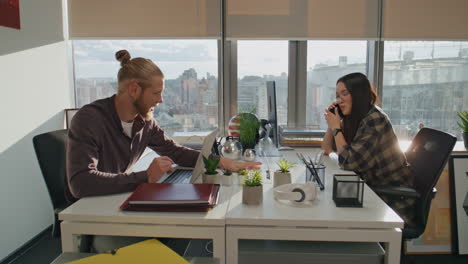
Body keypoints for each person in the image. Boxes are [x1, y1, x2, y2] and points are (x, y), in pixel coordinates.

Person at [66, 49, 261, 252]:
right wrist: (145, 177)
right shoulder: (89, 119)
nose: (161, 100)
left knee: (189, 225)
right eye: (156, 93)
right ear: (134, 90)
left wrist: (221, 162)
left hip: (119, 202)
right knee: (178, 237)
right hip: (96, 216)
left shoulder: (145, 121)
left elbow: (174, 151)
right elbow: (80, 183)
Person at [321, 72, 415, 226]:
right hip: (372, 191)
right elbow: (326, 149)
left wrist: (336, 127)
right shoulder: (356, 117)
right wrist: (332, 124)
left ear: (358, 94)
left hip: (391, 201)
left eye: (344, 93)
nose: (338, 99)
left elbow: (349, 163)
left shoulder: (374, 119)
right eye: (337, 95)